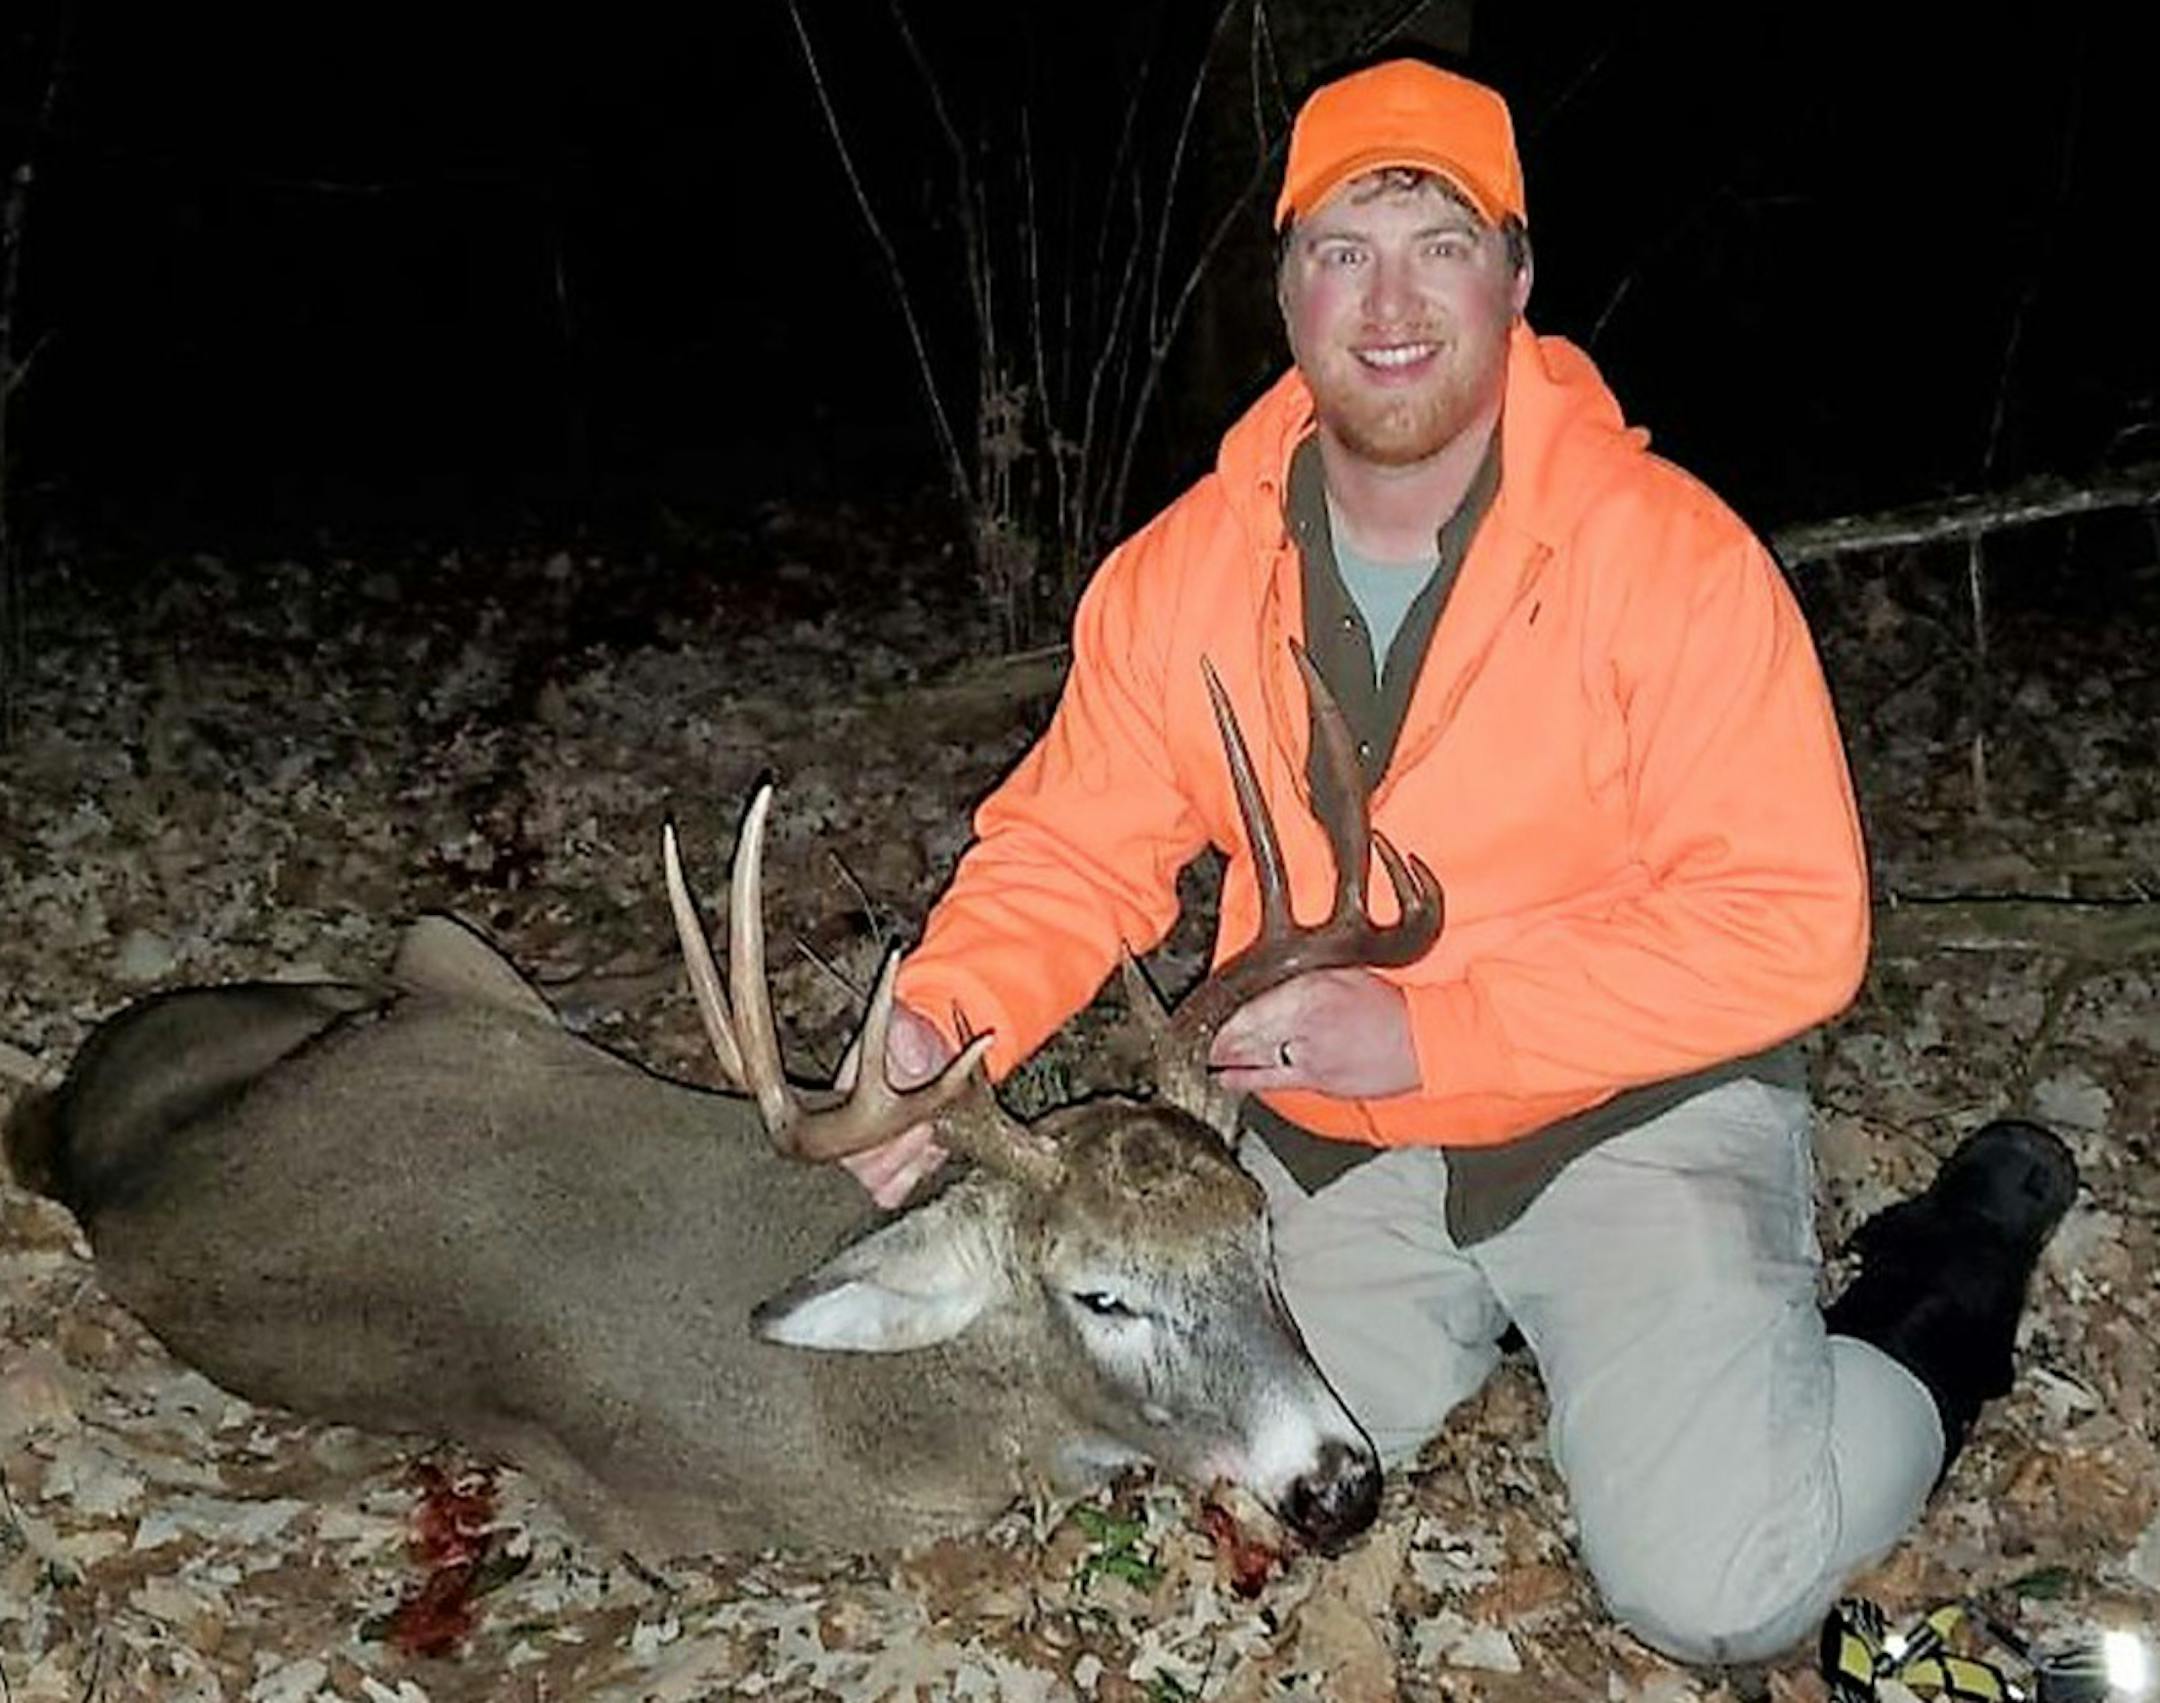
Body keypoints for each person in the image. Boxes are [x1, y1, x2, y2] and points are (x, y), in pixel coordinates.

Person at [844, 58, 2077, 1666]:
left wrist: (1443, 1031)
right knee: (1238, 1448)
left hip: (1638, 1104)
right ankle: (1514, 1326)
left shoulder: (1668, 559)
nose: (1391, 299)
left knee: (1719, 1590)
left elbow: (1792, 926)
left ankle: (1947, 1271)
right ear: (1286, 286)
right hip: (1344, 1132)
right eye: (1343, 249)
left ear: (1515, 276)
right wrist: (951, 1008)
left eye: (1438, 242)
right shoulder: (1185, 574)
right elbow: (1076, 840)